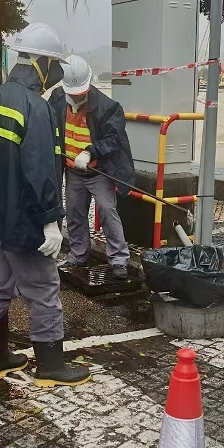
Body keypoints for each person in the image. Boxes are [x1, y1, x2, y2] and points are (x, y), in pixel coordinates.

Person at [0, 23, 90, 388]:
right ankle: (50, 367)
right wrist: (50, 220)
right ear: (42, 64)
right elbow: (40, 168)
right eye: (54, 66)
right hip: (23, 220)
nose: (54, 74)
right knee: (44, 290)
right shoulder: (36, 107)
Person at [49, 55, 135, 280]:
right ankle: (79, 254)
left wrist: (90, 152)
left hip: (98, 171)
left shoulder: (107, 107)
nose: (76, 97)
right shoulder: (57, 99)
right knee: (74, 212)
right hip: (72, 170)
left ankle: (119, 259)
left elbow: (114, 138)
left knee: (107, 210)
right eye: (72, 93)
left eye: (80, 93)